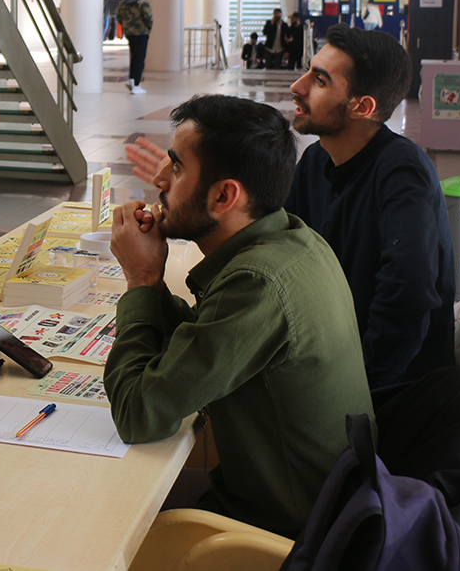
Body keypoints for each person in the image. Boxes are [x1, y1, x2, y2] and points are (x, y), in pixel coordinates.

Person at [104, 94, 372, 538]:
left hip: (283, 532)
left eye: (177, 167)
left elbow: (138, 414)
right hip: (324, 501)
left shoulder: (257, 282)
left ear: (225, 195)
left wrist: (141, 278)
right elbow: (202, 338)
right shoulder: (295, 238)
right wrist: (150, 285)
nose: (160, 181)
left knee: (102, 510)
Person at [284, 24, 455, 388]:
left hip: (392, 393)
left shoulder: (403, 174)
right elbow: (277, 247)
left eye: (320, 80)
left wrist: (352, 391)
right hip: (327, 362)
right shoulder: (316, 160)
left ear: (362, 107)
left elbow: (405, 302)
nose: (297, 87)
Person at [117, 0, 152, 94]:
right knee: (140, 58)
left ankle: (132, 80)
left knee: (133, 57)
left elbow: (119, 17)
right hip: (141, 34)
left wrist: (127, 26)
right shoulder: (142, 1)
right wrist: (147, 28)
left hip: (129, 33)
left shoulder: (124, 1)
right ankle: (137, 84)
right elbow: (148, 17)